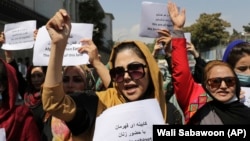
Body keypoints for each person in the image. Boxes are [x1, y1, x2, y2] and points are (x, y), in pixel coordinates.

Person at [41, 8, 181, 140]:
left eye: (135, 69)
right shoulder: (98, 103)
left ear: (150, 69)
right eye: (118, 72)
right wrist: (58, 46)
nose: (126, 77)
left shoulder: (169, 113)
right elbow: (54, 103)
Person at [167, 1, 250, 124]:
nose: (223, 86)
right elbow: (182, 73)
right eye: (215, 81)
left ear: (236, 83)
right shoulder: (196, 104)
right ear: (206, 84)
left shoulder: (246, 113)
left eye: (229, 81)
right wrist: (177, 31)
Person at [0, 58, 41, 141]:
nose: (36, 79)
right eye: (33, 76)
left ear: (3, 87)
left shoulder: (23, 120)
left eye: (39, 75)